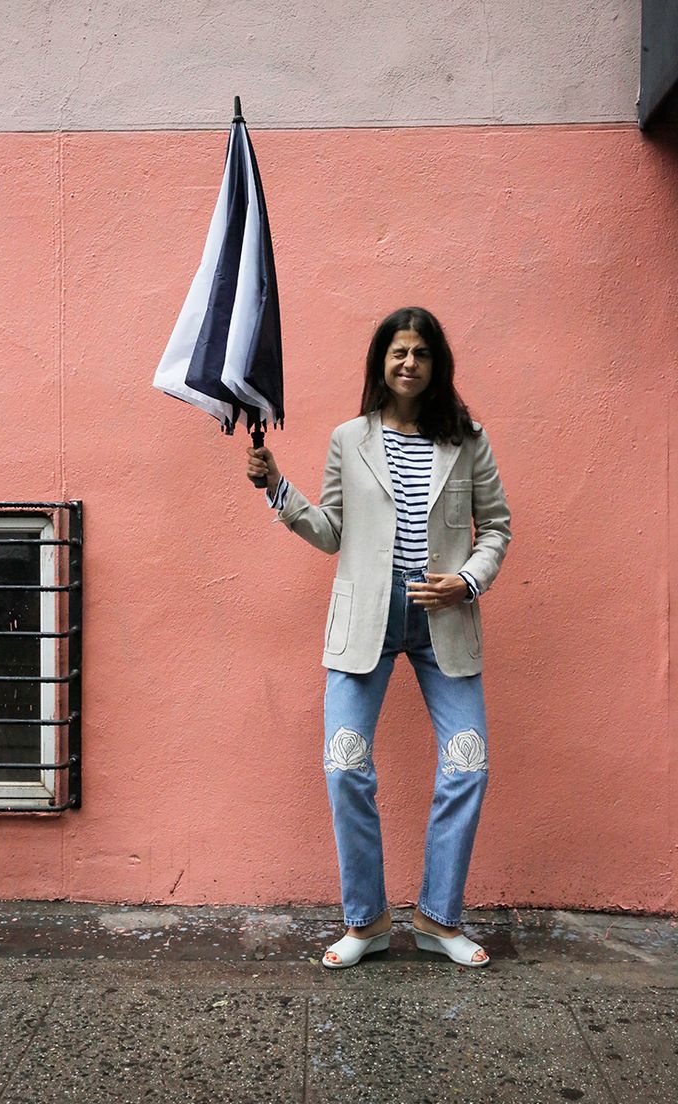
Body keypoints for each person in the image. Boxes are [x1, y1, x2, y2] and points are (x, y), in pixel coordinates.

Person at [246, 307, 512, 969]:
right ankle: (366, 921)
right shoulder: (350, 438)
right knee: (344, 765)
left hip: (443, 615)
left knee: (468, 763)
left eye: (421, 352)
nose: (409, 363)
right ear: (381, 361)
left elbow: (496, 528)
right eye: (399, 351)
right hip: (366, 615)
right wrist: (276, 487)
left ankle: (438, 918)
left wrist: (466, 581)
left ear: (436, 363)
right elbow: (331, 530)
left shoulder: (467, 439)